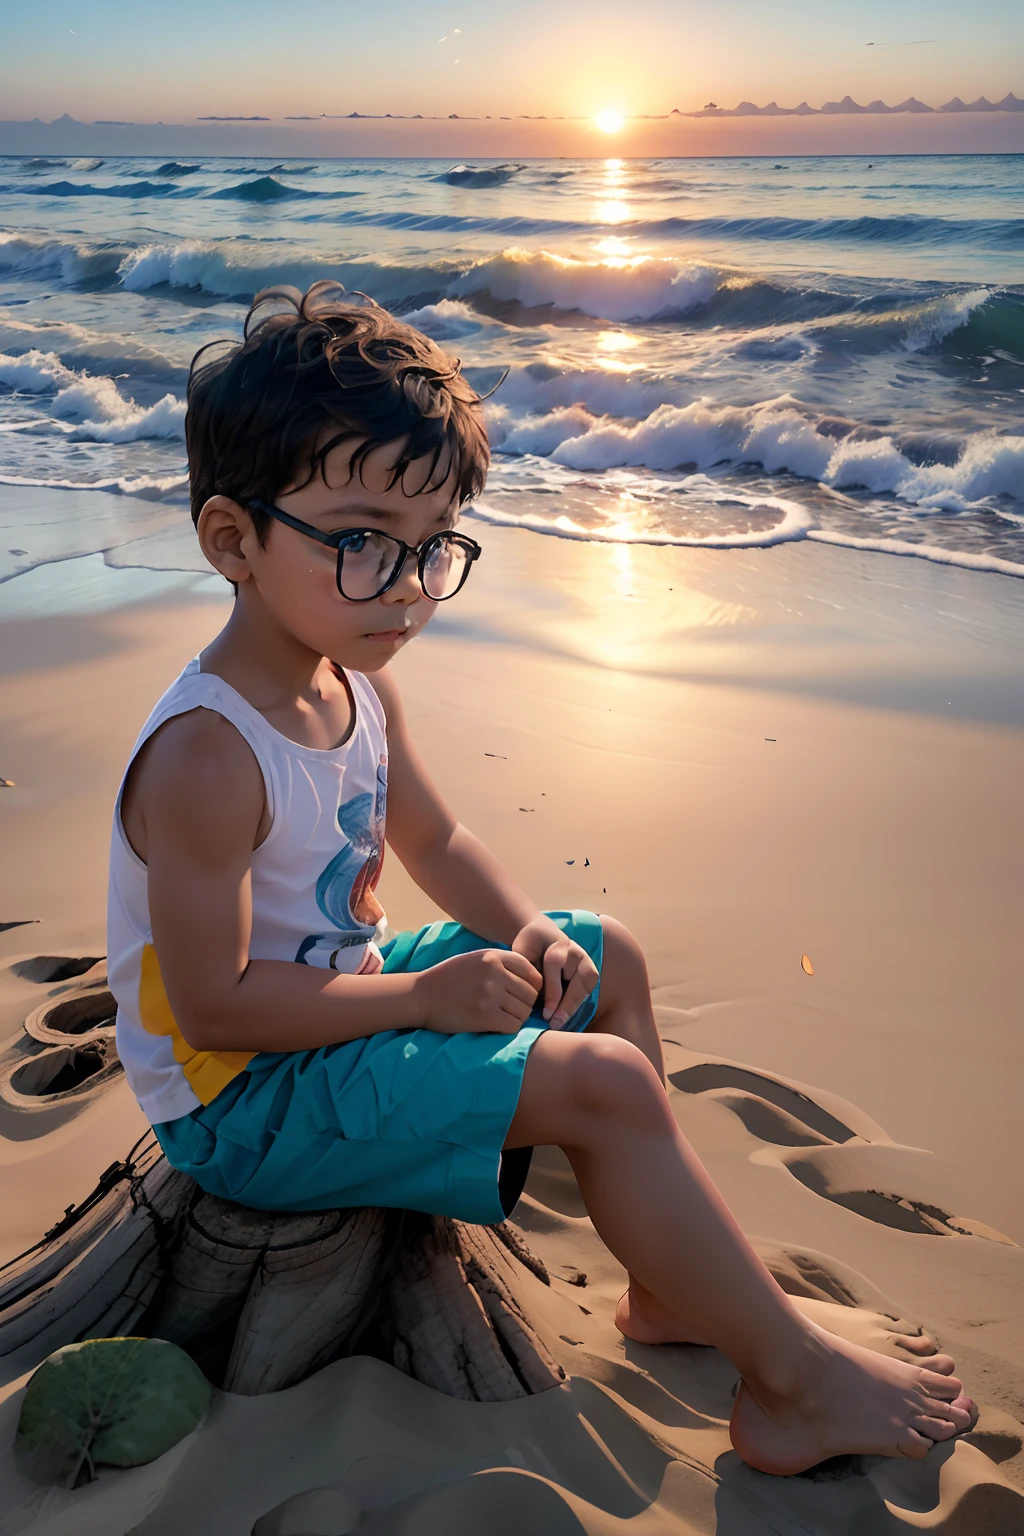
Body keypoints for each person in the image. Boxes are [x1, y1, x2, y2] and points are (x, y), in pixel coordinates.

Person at [107, 281, 973, 1475]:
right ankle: (792, 1387)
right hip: (239, 1102)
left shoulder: (354, 683)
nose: (407, 588)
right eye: (361, 542)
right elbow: (213, 1009)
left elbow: (436, 844)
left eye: (431, 548)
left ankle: (669, 1292)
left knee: (604, 952)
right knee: (604, 1086)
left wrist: (527, 934)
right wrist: (422, 999)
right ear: (232, 540)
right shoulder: (207, 751)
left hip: (327, 1005)